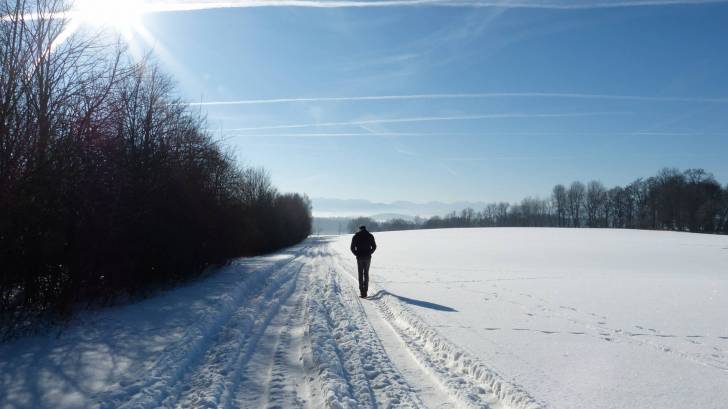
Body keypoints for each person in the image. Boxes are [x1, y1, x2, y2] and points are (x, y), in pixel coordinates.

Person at [350, 225, 377, 298]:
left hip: (359, 257)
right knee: (366, 273)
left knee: (360, 274)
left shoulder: (356, 236)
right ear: (365, 229)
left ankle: (362, 292)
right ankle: (366, 291)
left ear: (359, 229)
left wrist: (356, 254)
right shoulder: (370, 235)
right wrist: (370, 252)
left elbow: (352, 248)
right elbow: (374, 246)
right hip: (368, 257)